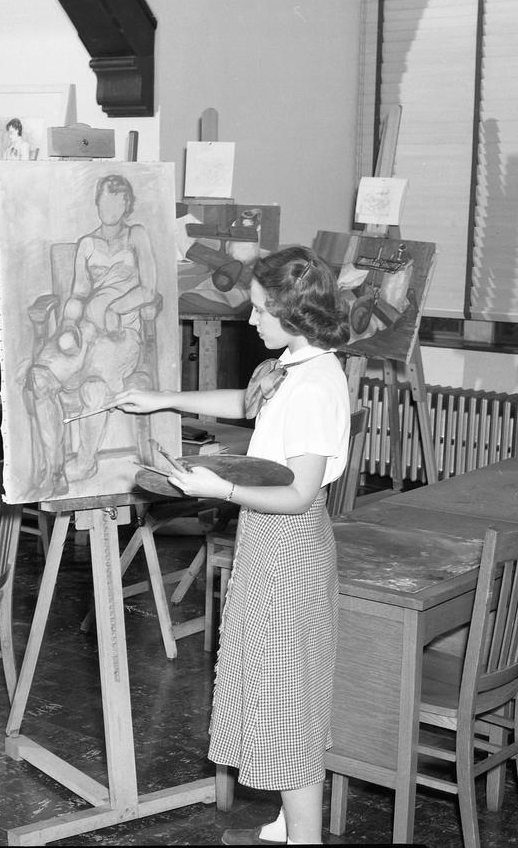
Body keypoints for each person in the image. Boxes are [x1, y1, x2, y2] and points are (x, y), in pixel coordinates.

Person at [110, 245, 350, 847]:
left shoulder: (318, 386)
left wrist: (220, 487)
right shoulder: (295, 363)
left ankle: (305, 838)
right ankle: (288, 823)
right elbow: (246, 406)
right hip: (268, 539)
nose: (251, 320)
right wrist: (167, 398)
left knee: (286, 694)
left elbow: (297, 493)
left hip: (288, 543)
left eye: (263, 310)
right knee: (275, 686)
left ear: (294, 314)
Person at [22, 172, 160, 498]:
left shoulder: (137, 236)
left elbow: (149, 289)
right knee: (39, 377)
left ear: (128, 205)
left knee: (95, 389)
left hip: (122, 334)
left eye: (118, 199)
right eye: (105, 198)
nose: (110, 205)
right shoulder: (87, 243)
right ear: (97, 202)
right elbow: (78, 294)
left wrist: (116, 307)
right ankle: (55, 470)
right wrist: (69, 324)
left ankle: (85, 463)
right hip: (85, 330)